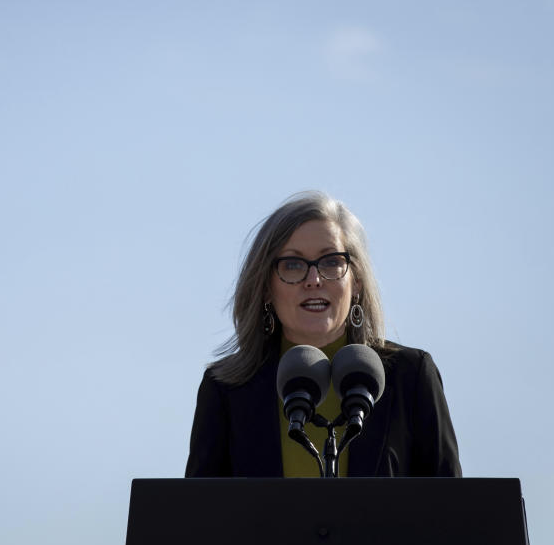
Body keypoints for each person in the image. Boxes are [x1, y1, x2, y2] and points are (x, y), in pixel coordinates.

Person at [185, 192, 461, 478]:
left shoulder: (411, 377)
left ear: (356, 282)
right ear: (265, 287)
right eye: (292, 264)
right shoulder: (226, 391)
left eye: (331, 261)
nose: (314, 280)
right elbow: (198, 517)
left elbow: (451, 511)